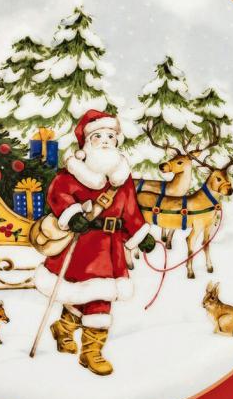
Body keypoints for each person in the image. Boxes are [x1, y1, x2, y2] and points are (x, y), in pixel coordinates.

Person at [34, 109, 156, 375]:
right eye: (98, 136)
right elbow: (58, 193)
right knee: (90, 295)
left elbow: (130, 210)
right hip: (82, 245)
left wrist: (140, 235)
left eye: (110, 136)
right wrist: (72, 214)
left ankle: (69, 332)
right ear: (86, 142)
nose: (105, 141)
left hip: (110, 248)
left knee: (96, 295)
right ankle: (91, 353)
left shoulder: (121, 178)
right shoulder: (73, 173)